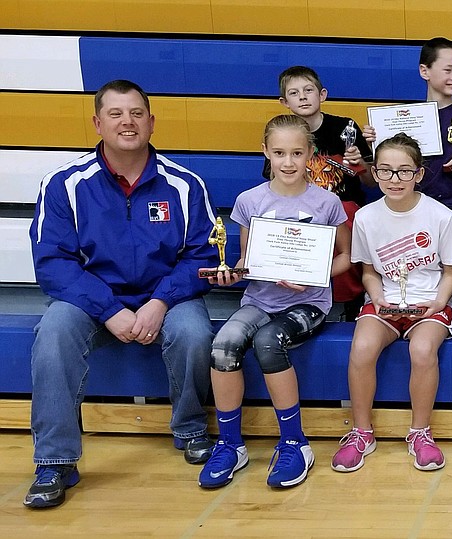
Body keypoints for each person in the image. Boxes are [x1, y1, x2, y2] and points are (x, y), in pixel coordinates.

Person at [25, 80, 217, 508]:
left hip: (165, 297)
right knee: (53, 334)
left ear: (151, 122)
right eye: (115, 114)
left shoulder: (185, 184)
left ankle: (190, 430)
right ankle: (55, 461)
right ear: (97, 122)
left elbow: (202, 256)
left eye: (136, 113)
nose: (126, 122)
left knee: (194, 333)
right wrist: (109, 309)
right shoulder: (64, 184)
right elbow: (53, 263)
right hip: (90, 301)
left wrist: (159, 302)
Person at [197, 115, 350, 489]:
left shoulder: (328, 202)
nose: (288, 161)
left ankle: (295, 443)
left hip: (309, 301)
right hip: (259, 300)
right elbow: (246, 261)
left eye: (297, 152)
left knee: (268, 342)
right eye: (279, 152)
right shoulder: (249, 200)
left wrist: (312, 276)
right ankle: (231, 444)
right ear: (265, 151)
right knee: (223, 345)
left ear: (311, 154)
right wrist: (230, 273)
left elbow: (347, 257)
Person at [332, 133, 452, 473]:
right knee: (361, 347)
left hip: (429, 303)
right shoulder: (366, 217)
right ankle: (362, 433)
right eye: (386, 171)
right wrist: (379, 299)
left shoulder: (440, 215)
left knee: (421, 350)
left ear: (419, 174)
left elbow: (450, 273)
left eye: (404, 171)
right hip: (385, 301)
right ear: (374, 173)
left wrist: (437, 303)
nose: (395, 179)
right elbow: (370, 272)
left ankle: (421, 433)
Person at [362, 37, 452, 321]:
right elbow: (383, 167)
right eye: (448, 70)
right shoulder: (403, 117)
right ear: (425, 71)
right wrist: (373, 142)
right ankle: (406, 300)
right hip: (413, 207)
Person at [271, 65, 372, 320]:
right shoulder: (282, 133)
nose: (303, 97)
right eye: (294, 93)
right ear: (284, 102)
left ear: (322, 95)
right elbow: (274, 181)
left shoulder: (345, 128)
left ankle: (349, 300)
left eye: (308, 90)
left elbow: (372, 181)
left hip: (343, 204)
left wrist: (360, 165)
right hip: (298, 204)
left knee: (344, 215)